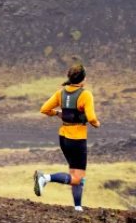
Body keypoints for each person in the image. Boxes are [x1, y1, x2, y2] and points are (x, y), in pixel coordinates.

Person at [34, 63, 100, 211]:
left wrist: (58, 113)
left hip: (64, 138)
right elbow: (91, 117)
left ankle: (77, 207)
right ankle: (45, 178)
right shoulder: (85, 94)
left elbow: (44, 109)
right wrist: (96, 124)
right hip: (77, 140)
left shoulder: (61, 93)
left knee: (75, 174)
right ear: (83, 79)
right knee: (78, 177)